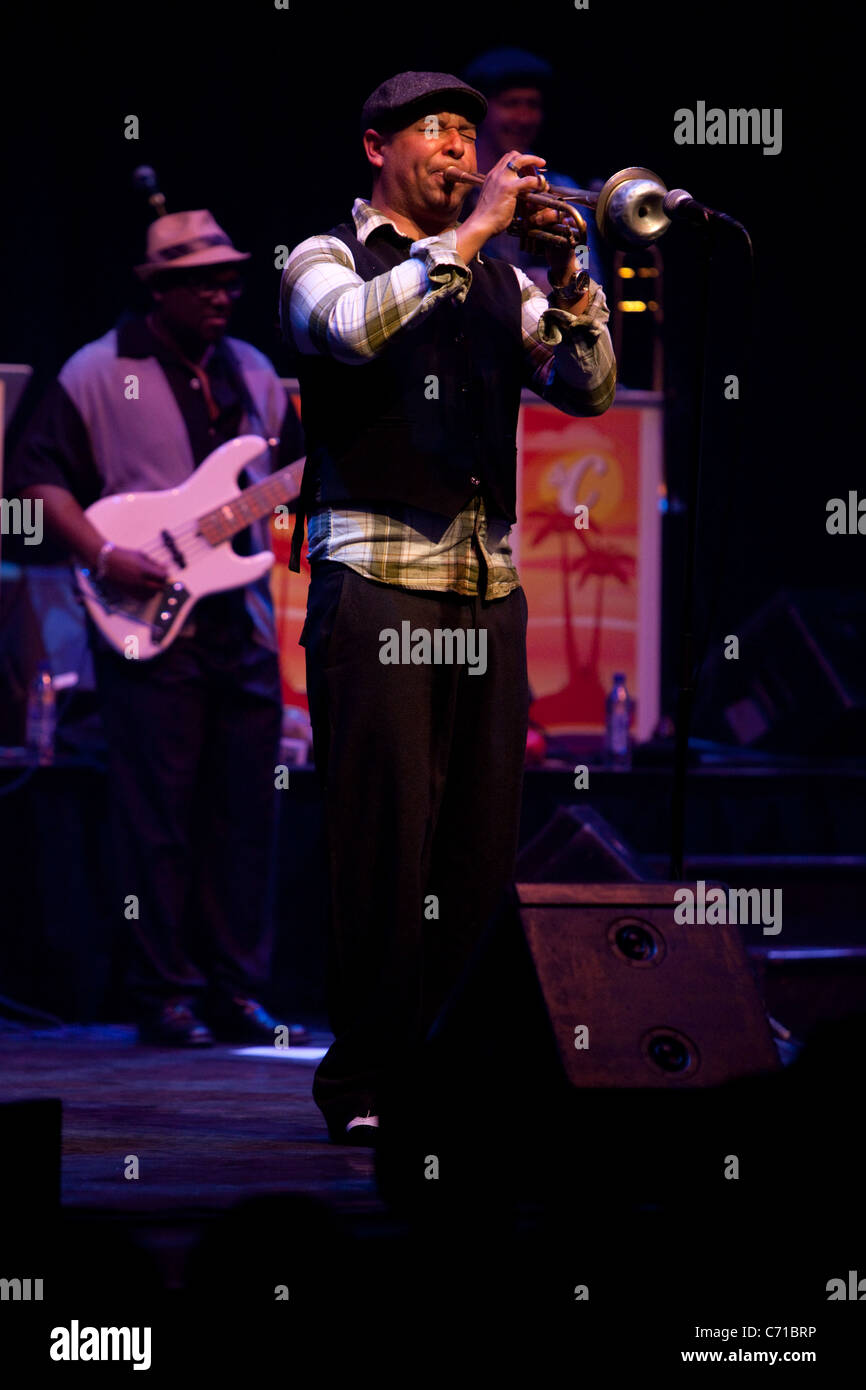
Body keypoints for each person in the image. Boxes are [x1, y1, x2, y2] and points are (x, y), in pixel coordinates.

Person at [281, 70, 616, 1144]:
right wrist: (471, 234)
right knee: (381, 843)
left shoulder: (501, 276)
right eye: (439, 131)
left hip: (487, 585)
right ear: (376, 145)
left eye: (472, 135)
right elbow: (347, 333)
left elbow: (589, 385)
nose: (463, 150)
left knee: (476, 846)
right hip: (374, 579)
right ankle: (368, 1079)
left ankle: (458, 1073)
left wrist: (569, 274)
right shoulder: (321, 256)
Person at [10, 209, 309, 1048]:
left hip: (238, 623)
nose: (223, 293)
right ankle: (164, 993)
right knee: (158, 817)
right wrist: (104, 555)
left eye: (231, 279)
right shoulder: (98, 372)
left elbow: (284, 480)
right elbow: (37, 482)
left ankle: (235, 989)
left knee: (247, 816)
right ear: (160, 288)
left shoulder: (253, 369)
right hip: (144, 614)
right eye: (203, 281)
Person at [461, 47, 604, 291]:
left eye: (532, 104)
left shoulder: (564, 188)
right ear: (481, 113)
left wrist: (567, 270)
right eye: (511, 104)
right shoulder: (457, 185)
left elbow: (590, 273)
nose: (524, 118)